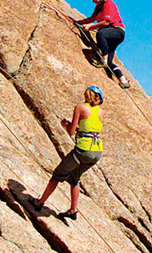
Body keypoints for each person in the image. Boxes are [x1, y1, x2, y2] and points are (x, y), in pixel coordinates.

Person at [29, 86, 106, 220]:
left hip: (83, 149)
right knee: (74, 178)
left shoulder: (80, 107)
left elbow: (71, 132)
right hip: (97, 152)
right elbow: (90, 129)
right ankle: (72, 210)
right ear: (98, 98)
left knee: (57, 175)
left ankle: (39, 203)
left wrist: (66, 125)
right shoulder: (101, 112)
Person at [74, 0, 130, 88]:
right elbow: (91, 19)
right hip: (111, 35)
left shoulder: (108, 4)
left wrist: (90, 27)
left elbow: (106, 22)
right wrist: (77, 22)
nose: (92, 0)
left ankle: (103, 60)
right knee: (110, 63)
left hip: (116, 31)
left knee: (100, 34)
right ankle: (123, 80)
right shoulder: (98, 7)